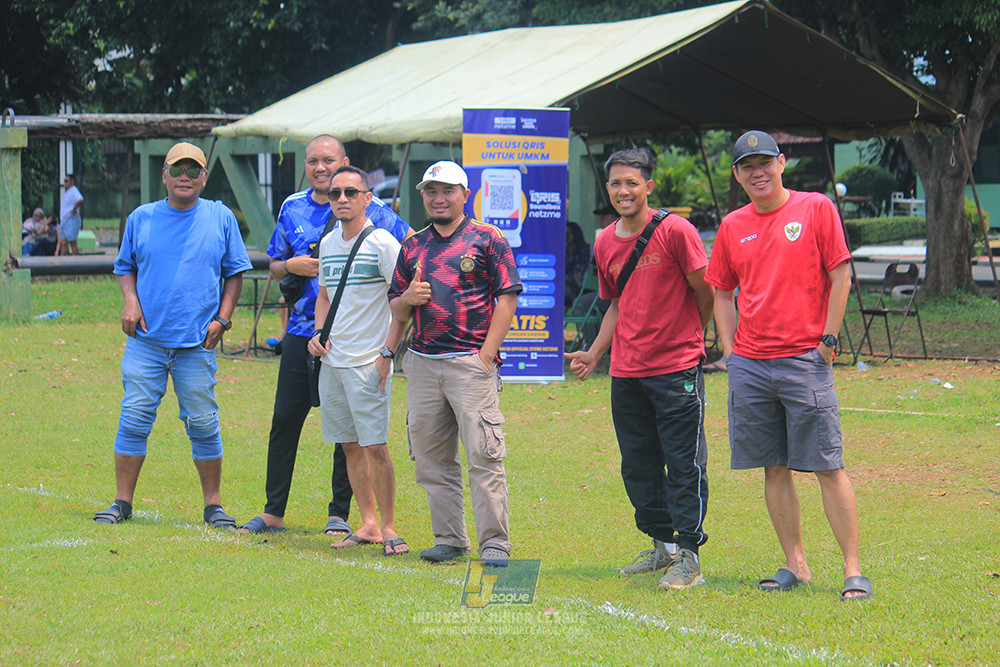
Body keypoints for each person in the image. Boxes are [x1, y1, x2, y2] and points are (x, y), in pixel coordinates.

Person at [704, 131, 871, 600]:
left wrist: (828, 341)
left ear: (781, 164)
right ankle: (795, 564)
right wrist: (732, 351)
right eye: (746, 166)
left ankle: (852, 569)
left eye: (764, 162)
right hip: (752, 366)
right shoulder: (733, 225)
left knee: (827, 465)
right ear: (737, 175)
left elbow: (841, 273)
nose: (757, 172)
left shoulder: (815, 207)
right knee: (773, 469)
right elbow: (721, 291)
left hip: (805, 359)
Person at [237, 135, 413, 535]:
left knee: (349, 433)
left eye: (329, 161)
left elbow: (408, 247)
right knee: (286, 418)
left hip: (355, 339)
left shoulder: (373, 208)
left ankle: (340, 514)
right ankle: (273, 511)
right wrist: (291, 266)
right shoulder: (292, 207)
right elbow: (275, 264)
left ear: (345, 163)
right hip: (305, 330)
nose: (321, 168)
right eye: (313, 161)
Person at [565, 148, 714, 590]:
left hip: (676, 369)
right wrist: (593, 353)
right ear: (607, 188)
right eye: (616, 183)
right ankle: (662, 547)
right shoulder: (605, 240)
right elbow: (615, 304)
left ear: (648, 186)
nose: (624, 190)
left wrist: (692, 335)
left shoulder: (676, 230)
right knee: (639, 465)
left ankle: (689, 557)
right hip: (626, 372)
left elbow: (704, 289)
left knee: (683, 464)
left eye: (632, 182)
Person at [94, 142, 252, 528]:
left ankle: (213, 505)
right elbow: (125, 266)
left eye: (193, 170)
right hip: (146, 341)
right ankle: (122, 503)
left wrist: (222, 319)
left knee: (202, 422)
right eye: (176, 169)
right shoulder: (142, 217)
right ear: (164, 175)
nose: (185, 176)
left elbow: (234, 273)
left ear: (203, 177)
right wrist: (130, 301)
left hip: (197, 343)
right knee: (134, 417)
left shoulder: (219, 217)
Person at [388, 160, 522, 564]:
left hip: (469, 363)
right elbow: (395, 307)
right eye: (431, 191)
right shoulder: (413, 245)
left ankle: (494, 543)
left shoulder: (487, 238)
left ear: (465, 194)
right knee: (431, 459)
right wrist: (406, 300)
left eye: (447, 190)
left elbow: (508, 297)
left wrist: (486, 355)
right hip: (423, 363)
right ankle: (450, 538)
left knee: (483, 455)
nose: (438, 197)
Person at [306, 166, 409, 555]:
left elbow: (402, 304)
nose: (342, 199)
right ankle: (367, 524)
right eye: (335, 194)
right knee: (349, 445)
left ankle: (389, 526)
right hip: (332, 363)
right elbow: (324, 296)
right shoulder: (330, 242)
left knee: (375, 447)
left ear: (368, 197)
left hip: (369, 363)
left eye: (351, 192)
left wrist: (387, 353)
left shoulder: (383, 243)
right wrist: (318, 335)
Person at [564, 221, 590, 306]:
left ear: (576, 233)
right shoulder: (565, 249)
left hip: (578, 288)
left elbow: (577, 274)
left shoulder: (583, 250)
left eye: (569, 233)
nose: (566, 236)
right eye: (564, 233)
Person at [57, 174, 84, 256]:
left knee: (72, 242)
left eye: (66, 181)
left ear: (72, 182)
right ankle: (62, 263)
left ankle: (75, 262)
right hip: (65, 220)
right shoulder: (68, 192)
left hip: (71, 219)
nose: (64, 183)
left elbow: (80, 200)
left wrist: (74, 210)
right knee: (63, 242)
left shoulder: (74, 190)